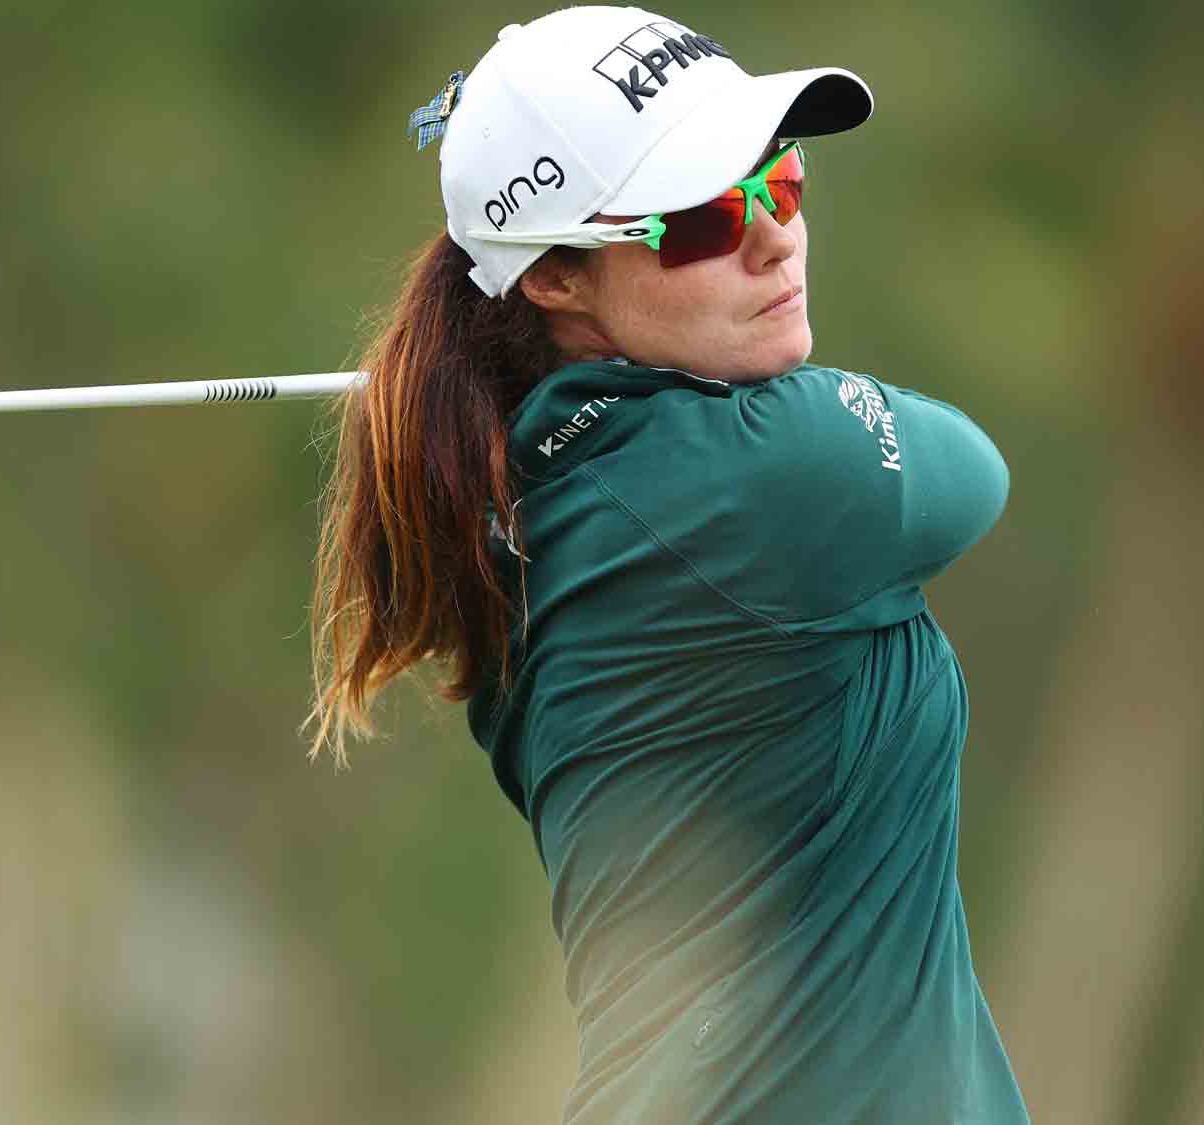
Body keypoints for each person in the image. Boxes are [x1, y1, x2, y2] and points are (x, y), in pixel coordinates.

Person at [308, 7, 1029, 1122]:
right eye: (700, 219)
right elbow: (969, 471)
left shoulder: (544, 503)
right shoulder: (749, 477)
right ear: (552, 277)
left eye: (777, 184)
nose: (771, 237)